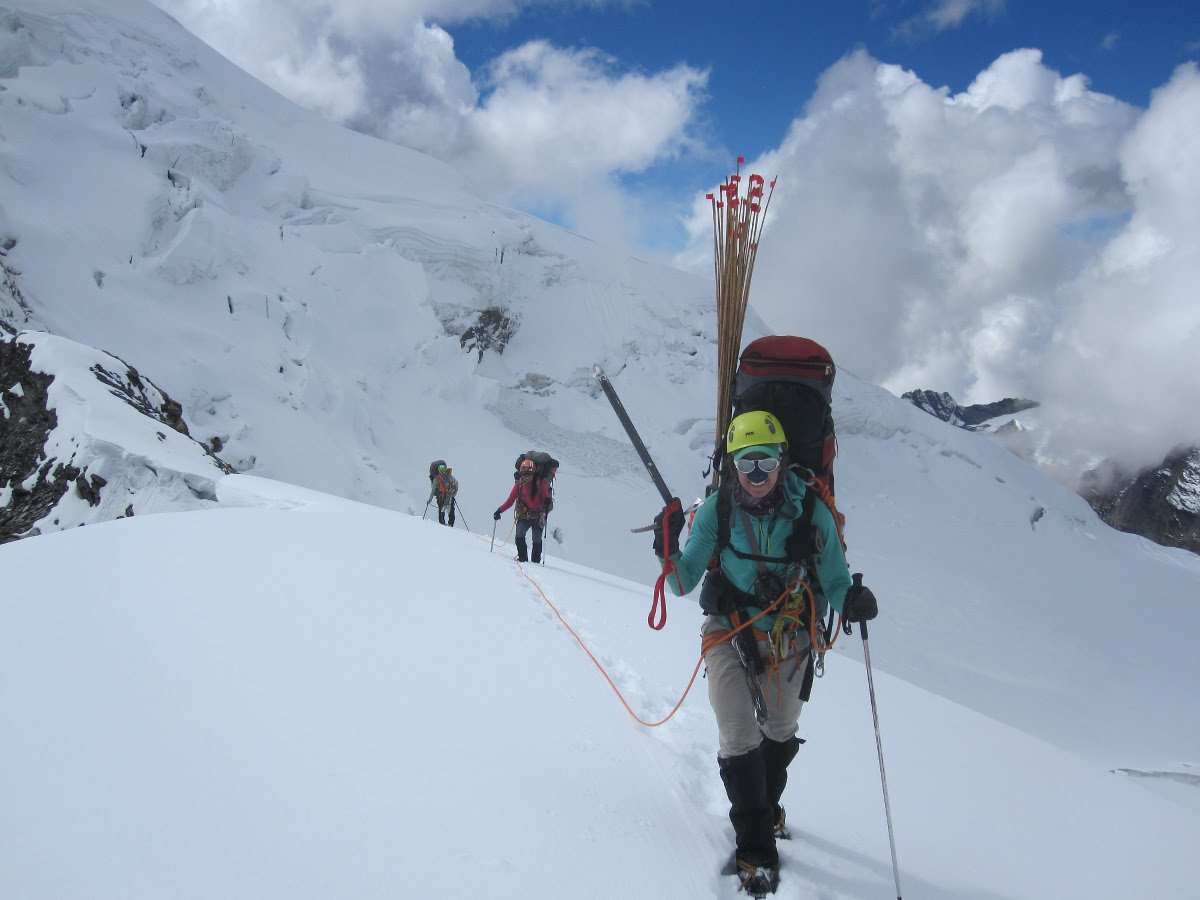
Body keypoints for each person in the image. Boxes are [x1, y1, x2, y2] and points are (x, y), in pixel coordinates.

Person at [652, 410, 878, 897]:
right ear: (732, 466)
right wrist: (667, 548)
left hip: (790, 629)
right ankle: (755, 848)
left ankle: (767, 804)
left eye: (766, 464)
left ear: (783, 461)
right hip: (729, 628)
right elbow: (682, 580)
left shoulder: (810, 511)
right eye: (746, 464)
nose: (756, 476)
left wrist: (851, 602)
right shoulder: (718, 509)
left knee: (778, 728)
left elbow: (836, 579)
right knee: (737, 731)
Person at [494, 458, 553, 563]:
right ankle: (523, 559)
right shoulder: (519, 485)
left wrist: (547, 502)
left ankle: (535, 562)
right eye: (525, 474)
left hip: (537, 515)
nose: (527, 477)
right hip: (525, 515)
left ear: (533, 473)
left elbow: (545, 498)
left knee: (536, 540)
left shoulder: (540, 484)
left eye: (529, 474)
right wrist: (500, 510)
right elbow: (510, 500)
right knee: (520, 536)